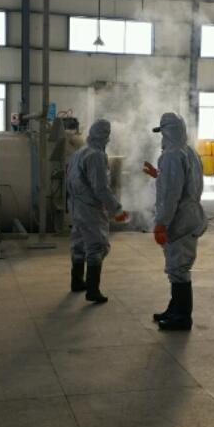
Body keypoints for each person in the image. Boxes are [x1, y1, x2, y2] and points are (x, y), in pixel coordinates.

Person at [143, 112, 207, 331]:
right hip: (190, 215)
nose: (162, 138)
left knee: (178, 268)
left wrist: (161, 223)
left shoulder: (171, 155)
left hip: (179, 219)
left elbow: (171, 195)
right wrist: (158, 175)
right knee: (177, 267)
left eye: (162, 133)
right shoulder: (189, 152)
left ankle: (182, 317)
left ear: (168, 132)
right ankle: (175, 309)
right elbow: (184, 182)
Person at [67, 119, 128, 303]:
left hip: (76, 205)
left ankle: (77, 282)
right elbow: (101, 188)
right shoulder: (96, 155)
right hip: (90, 208)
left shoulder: (79, 152)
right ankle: (93, 291)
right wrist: (116, 209)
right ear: (105, 136)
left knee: (79, 244)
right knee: (97, 246)